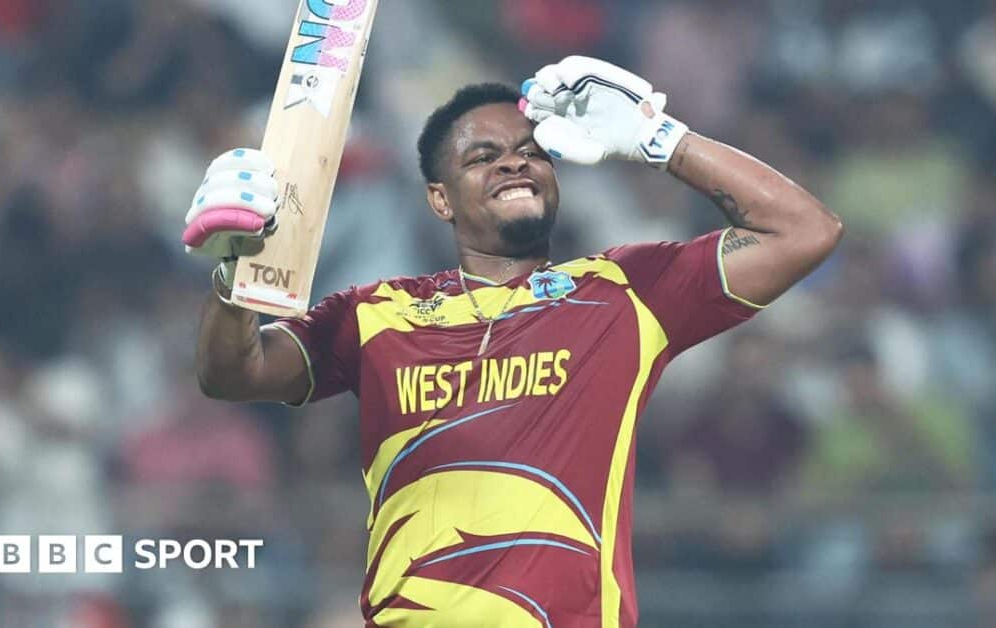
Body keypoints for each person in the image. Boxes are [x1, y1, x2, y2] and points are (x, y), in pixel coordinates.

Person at [185, 57, 842, 627]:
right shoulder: (375, 315)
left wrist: (661, 138)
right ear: (440, 200)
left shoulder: (624, 293)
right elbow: (232, 374)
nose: (513, 161)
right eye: (482, 156)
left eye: (532, 151)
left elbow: (806, 231)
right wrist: (234, 272)